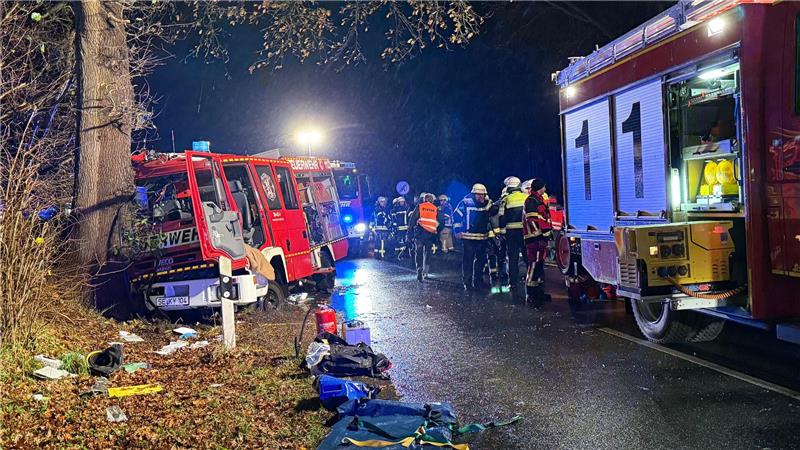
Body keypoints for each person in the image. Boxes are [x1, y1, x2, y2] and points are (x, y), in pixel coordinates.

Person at [453, 183, 498, 292]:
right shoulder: (465, 202)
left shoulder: (487, 203)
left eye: (482, 195)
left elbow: (494, 211)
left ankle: (478, 281)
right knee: (468, 260)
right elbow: (456, 215)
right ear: (473, 194)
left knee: (481, 261)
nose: (480, 197)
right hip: (468, 237)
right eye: (478, 195)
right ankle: (467, 283)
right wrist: (457, 231)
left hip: (482, 237)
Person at [522, 178, 553, 307]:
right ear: (540, 187)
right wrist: (541, 235)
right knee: (534, 265)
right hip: (534, 239)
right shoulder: (531, 201)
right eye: (543, 187)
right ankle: (531, 293)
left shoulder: (537, 200)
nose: (545, 189)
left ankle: (539, 292)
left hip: (539, 239)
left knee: (539, 265)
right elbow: (533, 221)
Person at [497, 176, 528, 290]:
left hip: (511, 233)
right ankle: (531, 280)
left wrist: (502, 233)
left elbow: (501, 217)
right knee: (527, 256)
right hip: (525, 232)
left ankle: (513, 283)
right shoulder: (526, 197)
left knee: (513, 258)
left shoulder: (506, 199)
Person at [408, 193, 445, 281]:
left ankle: (419, 270)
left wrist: (409, 233)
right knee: (427, 253)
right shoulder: (436, 209)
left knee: (419, 252)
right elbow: (441, 222)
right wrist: (436, 230)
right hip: (430, 235)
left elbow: (412, 220)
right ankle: (426, 272)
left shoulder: (419, 207)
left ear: (424, 199)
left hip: (419, 234)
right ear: (432, 200)